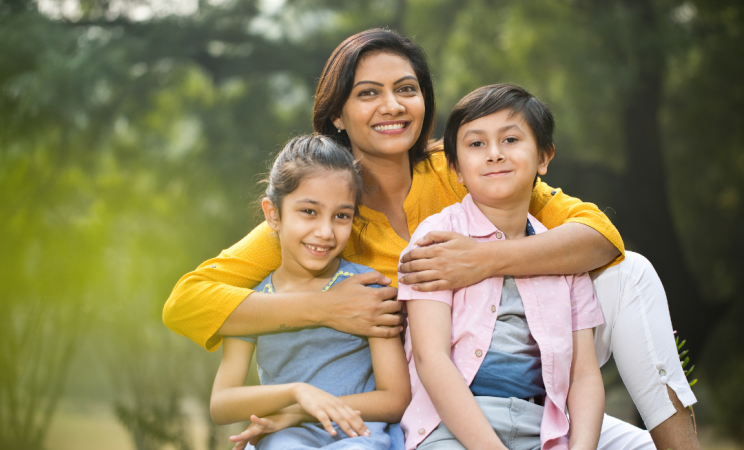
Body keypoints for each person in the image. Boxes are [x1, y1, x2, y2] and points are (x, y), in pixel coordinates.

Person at [163, 29, 699, 450]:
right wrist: (325, 309)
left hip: (527, 349)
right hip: (433, 387)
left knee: (633, 273)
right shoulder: (323, 214)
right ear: (336, 115)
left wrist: (484, 260)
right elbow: (187, 302)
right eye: (367, 93)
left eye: (407, 90)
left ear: (426, 102)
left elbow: (600, 237)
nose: (392, 106)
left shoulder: (465, 164)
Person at [398, 84, 605, 450]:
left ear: (544, 157)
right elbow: (432, 360)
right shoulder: (437, 238)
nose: (494, 154)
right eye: (476, 144)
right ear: (456, 169)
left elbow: (584, 375)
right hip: (450, 427)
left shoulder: (560, 252)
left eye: (510, 140)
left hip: (542, 428)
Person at [209, 135, 410, 449]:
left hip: (360, 432)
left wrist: (298, 412)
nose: (325, 232)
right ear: (273, 213)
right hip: (288, 436)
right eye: (309, 212)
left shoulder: (367, 290)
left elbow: (395, 398)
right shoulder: (252, 304)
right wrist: (297, 392)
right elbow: (222, 404)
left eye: (341, 216)